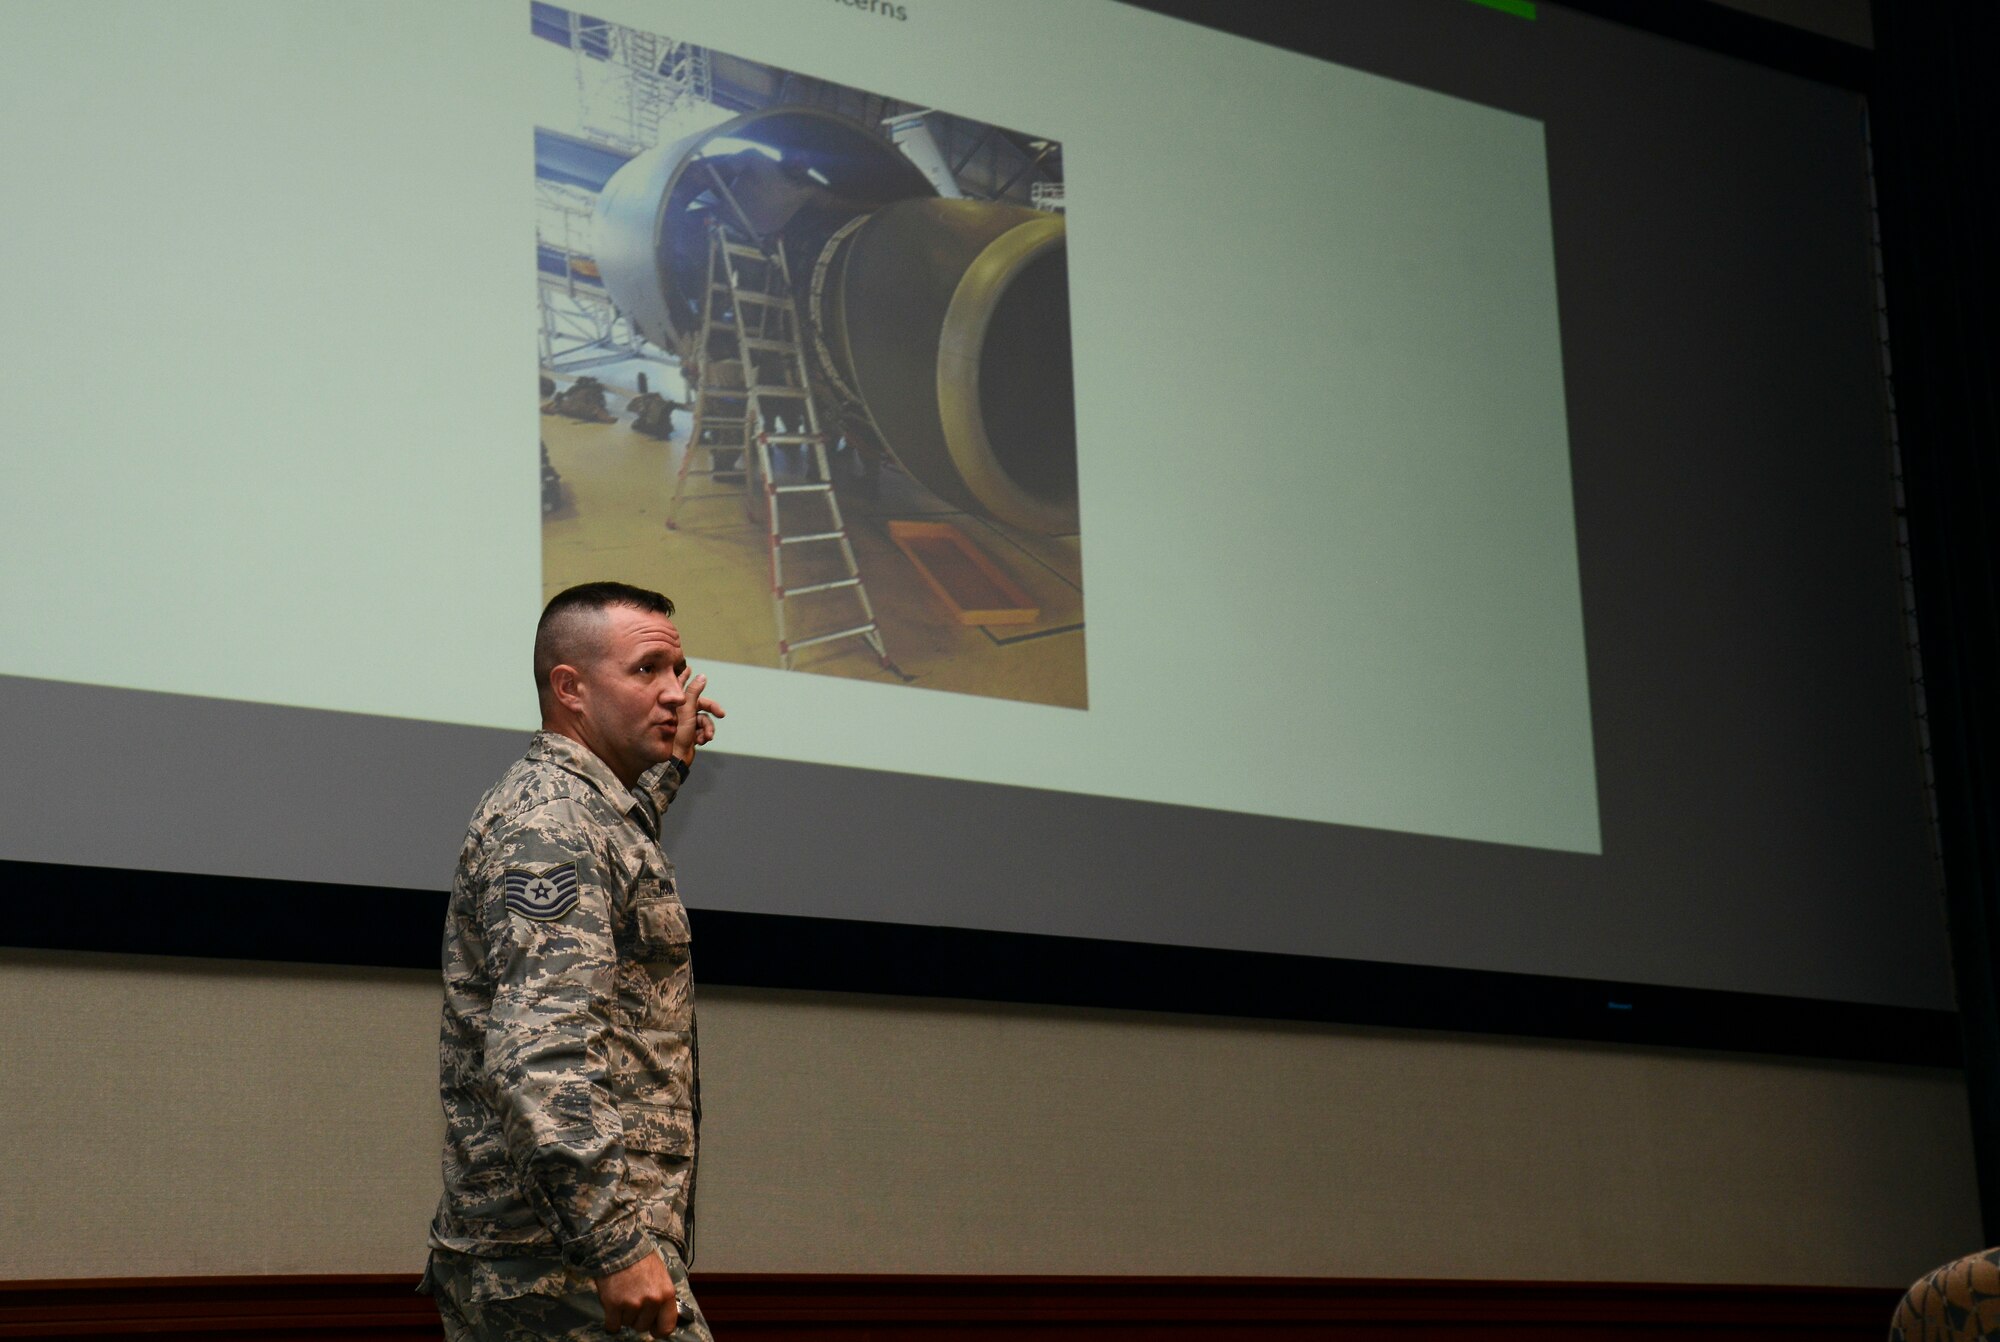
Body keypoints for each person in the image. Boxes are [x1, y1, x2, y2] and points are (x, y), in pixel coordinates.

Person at [423, 581, 725, 1341]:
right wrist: (617, 1249)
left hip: (559, 1261)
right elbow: (541, 1056)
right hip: (560, 1271)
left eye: (678, 669)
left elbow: (615, 838)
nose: (673, 691)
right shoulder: (553, 824)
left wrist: (670, 766)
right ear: (571, 688)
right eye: (647, 670)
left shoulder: (587, 812)